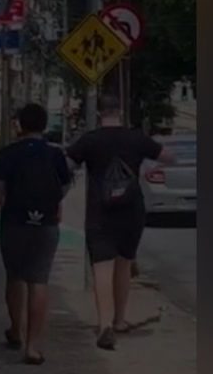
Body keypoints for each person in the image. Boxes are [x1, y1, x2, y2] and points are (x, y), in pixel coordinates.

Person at [66, 95, 175, 351]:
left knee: (102, 269)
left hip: (99, 211)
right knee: (124, 264)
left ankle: (104, 325)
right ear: (121, 112)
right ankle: (120, 319)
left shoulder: (90, 140)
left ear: (99, 114)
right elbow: (168, 157)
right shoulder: (135, 138)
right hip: (131, 211)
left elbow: (67, 164)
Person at [0, 103, 72, 365]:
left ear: (20, 124)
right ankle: (33, 346)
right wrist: (53, 203)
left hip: (14, 222)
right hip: (46, 223)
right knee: (39, 280)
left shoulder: (8, 153)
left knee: (15, 277)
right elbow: (65, 186)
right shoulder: (55, 155)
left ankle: (16, 331)